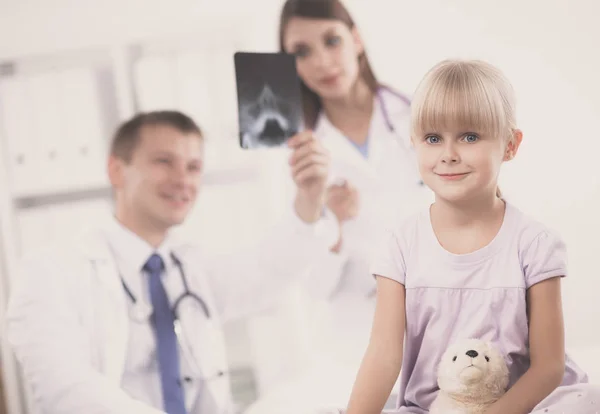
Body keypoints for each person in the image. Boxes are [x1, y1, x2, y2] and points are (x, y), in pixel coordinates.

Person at [4, 110, 341, 414]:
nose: (183, 180)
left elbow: (269, 270)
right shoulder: (49, 271)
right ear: (116, 170)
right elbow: (64, 389)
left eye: (194, 167)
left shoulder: (192, 266)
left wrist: (310, 198)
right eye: (164, 161)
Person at [344, 59, 600, 414]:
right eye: (433, 138)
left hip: (523, 406)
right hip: (436, 407)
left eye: (469, 136)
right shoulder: (400, 245)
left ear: (510, 145)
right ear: (414, 144)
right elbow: (384, 356)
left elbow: (548, 368)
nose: (448, 155)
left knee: (587, 401)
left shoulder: (535, 245)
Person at [243, 1, 434, 393]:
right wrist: (332, 225)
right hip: (358, 343)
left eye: (332, 40)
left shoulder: (422, 118)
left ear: (357, 40)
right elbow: (311, 285)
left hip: (444, 320)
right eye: (301, 52)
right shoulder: (296, 155)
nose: (322, 62)